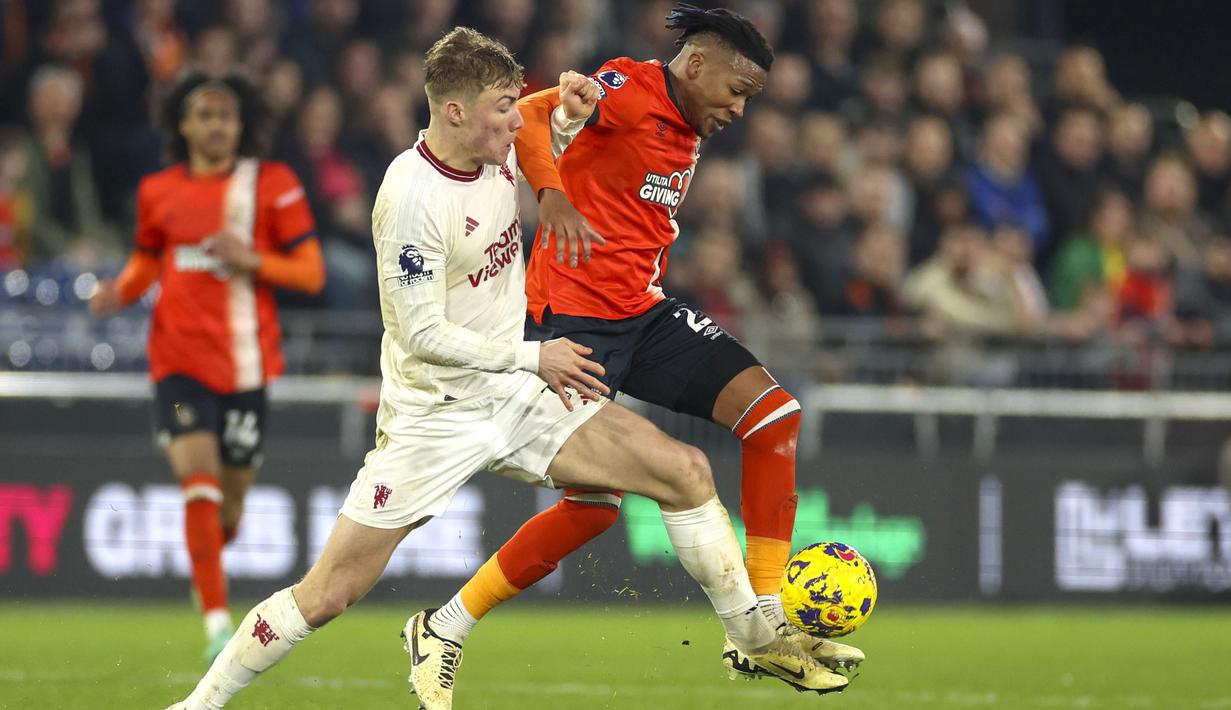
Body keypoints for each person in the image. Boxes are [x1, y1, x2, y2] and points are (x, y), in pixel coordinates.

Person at [166, 28, 846, 710]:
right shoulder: (410, 198)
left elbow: (553, 129)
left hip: (517, 395)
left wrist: (572, 114)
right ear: (455, 112)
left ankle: (755, 640)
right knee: (329, 595)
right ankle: (197, 706)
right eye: (502, 107)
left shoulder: (494, 153)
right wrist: (532, 354)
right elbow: (421, 334)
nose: (517, 119)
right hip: (435, 414)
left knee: (685, 473)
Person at [417, 4, 864, 687]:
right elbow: (533, 118)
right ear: (693, 65)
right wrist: (552, 196)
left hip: (642, 313)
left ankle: (764, 617)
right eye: (736, 91)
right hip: (570, 326)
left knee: (774, 416)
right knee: (593, 509)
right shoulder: (624, 89)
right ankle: (444, 624)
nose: (739, 111)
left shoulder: (686, 122)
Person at [89, 73, 325, 663]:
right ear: (184, 125)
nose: (217, 124)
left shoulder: (272, 185)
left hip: (247, 366)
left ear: (241, 125)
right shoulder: (158, 191)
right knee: (198, 481)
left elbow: (312, 274)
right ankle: (218, 624)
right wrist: (119, 291)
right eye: (205, 114)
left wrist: (254, 259)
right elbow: (148, 260)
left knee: (230, 509)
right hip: (178, 362)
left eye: (227, 115)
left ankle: (206, 566)